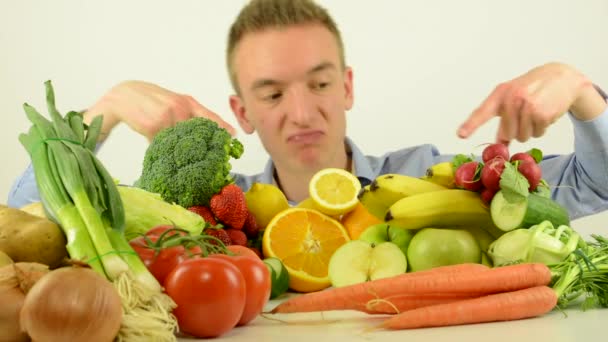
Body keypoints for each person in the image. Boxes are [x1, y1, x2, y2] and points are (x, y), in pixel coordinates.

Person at [8, 0, 608, 221]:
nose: (301, 113)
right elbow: (25, 220)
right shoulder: (201, 215)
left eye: (319, 84)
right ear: (241, 112)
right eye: (271, 94)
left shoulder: (431, 180)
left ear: (347, 87)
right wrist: (104, 113)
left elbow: (590, 189)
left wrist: (582, 92)